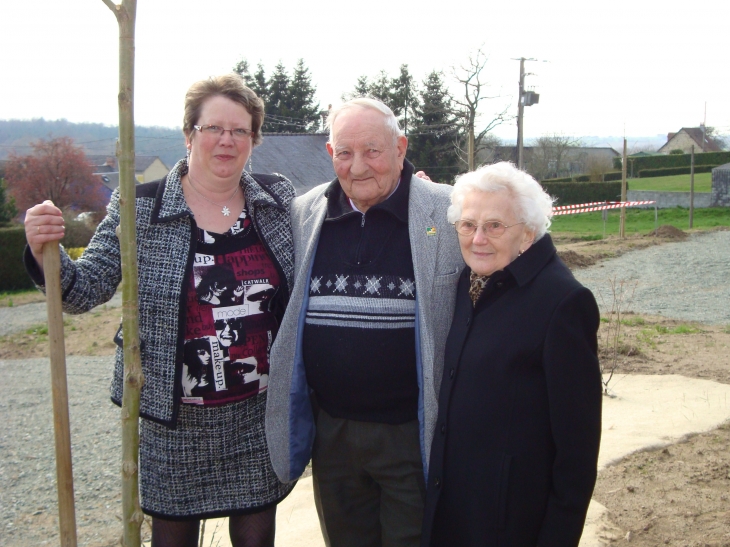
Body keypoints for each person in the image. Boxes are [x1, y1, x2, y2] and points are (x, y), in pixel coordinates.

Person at [24, 74, 295, 547]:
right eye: (214, 128)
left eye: (240, 130)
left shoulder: (277, 199)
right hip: (174, 420)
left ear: (254, 139)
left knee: (257, 538)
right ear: (189, 134)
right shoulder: (139, 208)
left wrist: (409, 186)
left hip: (257, 413)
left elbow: (329, 231)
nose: (227, 140)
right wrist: (43, 250)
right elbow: (82, 291)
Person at [265, 97, 464, 547]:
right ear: (330, 154)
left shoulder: (448, 212)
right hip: (332, 434)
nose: (358, 167)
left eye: (372, 151)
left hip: (411, 433)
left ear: (400, 147)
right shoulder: (303, 213)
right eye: (345, 153)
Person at [421, 162, 602, 547]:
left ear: (528, 234)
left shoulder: (563, 303)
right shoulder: (471, 283)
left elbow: (577, 452)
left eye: (495, 226)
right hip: (453, 509)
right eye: (468, 225)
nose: (478, 238)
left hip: (511, 523)